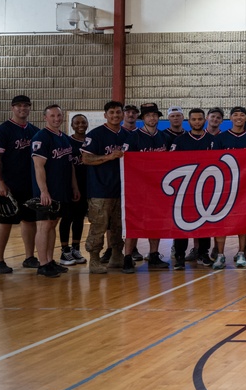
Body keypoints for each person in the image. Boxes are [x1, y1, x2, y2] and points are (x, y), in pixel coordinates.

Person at [0, 94, 39, 274]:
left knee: (30, 220)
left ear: (30, 108)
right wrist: (0, 182)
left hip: (29, 185)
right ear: (12, 108)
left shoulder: (34, 131)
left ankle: (29, 257)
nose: (22, 109)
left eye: (26, 105)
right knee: (4, 221)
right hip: (7, 187)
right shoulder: (1, 131)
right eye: (18, 106)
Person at [81, 101, 131, 275]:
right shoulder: (96, 135)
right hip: (100, 190)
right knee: (99, 226)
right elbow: (86, 159)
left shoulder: (127, 135)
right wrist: (108, 157)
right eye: (112, 113)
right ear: (105, 115)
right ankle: (94, 259)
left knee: (119, 226)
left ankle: (117, 255)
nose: (115, 116)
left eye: (118, 112)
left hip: (122, 190)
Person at [30, 105, 79, 277]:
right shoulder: (41, 137)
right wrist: (43, 191)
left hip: (62, 190)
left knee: (52, 225)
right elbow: (38, 166)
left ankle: (50, 261)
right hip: (46, 192)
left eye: (59, 115)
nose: (56, 118)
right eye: (52, 116)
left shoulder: (64, 138)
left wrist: (74, 186)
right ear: (45, 118)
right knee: (44, 226)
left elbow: (70, 165)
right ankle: (43, 264)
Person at [122, 103, 171, 270]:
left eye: (155, 115)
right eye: (149, 115)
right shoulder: (133, 137)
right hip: (137, 189)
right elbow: (125, 161)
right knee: (134, 222)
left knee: (156, 222)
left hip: (159, 188)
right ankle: (127, 256)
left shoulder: (163, 137)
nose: (152, 118)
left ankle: (154, 255)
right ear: (143, 118)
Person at [168, 108, 218, 270]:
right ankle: (180, 256)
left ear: (204, 120)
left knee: (205, 221)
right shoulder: (180, 141)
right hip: (184, 189)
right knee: (181, 223)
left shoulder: (212, 140)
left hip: (205, 188)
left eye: (199, 119)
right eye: (194, 119)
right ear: (188, 121)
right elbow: (169, 163)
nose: (197, 121)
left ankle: (203, 253)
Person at [213, 106, 246, 268]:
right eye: (235, 115)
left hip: (245, 185)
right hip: (224, 186)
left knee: (242, 220)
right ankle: (220, 254)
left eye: (242, 115)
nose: (239, 117)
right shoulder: (221, 138)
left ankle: (241, 252)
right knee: (221, 220)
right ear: (230, 118)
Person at [59, 113, 90, 267]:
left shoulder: (90, 141)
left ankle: (76, 248)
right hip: (70, 186)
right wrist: (72, 186)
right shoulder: (68, 142)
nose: (80, 125)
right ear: (71, 125)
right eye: (77, 122)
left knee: (79, 218)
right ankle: (65, 250)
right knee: (67, 217)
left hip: (86, 186)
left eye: (83, 122)